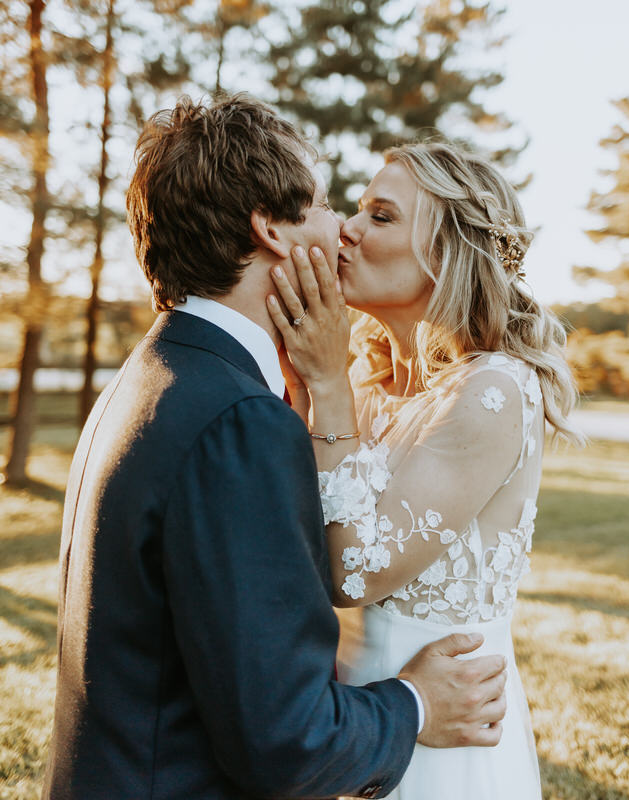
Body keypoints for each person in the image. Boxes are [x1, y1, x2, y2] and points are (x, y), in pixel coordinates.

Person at [42, 96, 508, 800]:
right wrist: (417, 704)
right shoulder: (239, 420)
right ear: (271, 228)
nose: (342, 228)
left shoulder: (151, 377)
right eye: (322, 204)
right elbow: (289, 740)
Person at [267, 138, 581, 800]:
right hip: (350, 724)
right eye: (357, 209)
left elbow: (353, 574)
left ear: (444, 252)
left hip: (442, 744)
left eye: (380, 216)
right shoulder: (369, 388)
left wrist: (325, 385)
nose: (346, 229)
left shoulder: (493, 390)